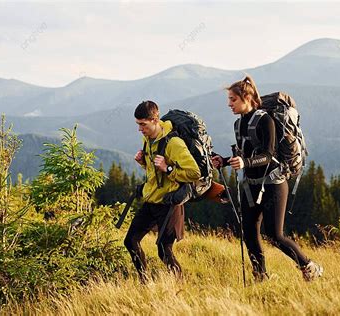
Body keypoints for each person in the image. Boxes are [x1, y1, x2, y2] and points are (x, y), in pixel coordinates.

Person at [212, 76, 323, 282]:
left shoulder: (265, 120)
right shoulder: (239, 123)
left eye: (233, 99)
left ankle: (309, 267)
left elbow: (268, 154)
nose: (229, 104)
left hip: (273, 185)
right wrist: (225, 160)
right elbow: (244, 152)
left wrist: (245, 163)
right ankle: (261, 276)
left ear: (247, 97)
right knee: (249, 234)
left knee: (274, 235)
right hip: (250, 186)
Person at [124, 100, 200, 282]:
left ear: (155, 120)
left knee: (164, 250)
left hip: (169, 203)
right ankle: (145, 282)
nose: (140, 129)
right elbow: (154, 174)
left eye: (143, 124)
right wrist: (144, 163)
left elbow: (194, 173)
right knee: (130, 241)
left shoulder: (174, 143)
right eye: (138, 124)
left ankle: (180, 285)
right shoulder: (148, 140)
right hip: (151, 200)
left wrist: (168, 169)